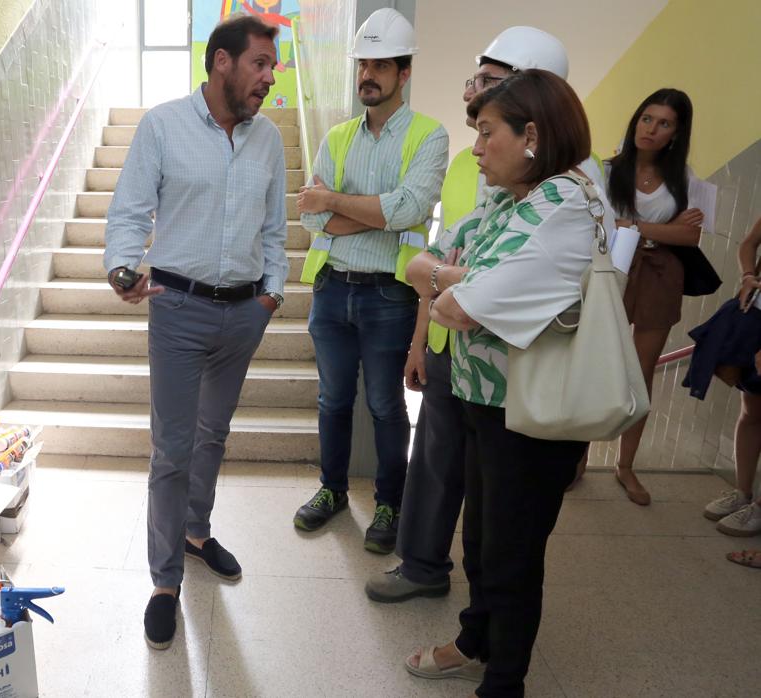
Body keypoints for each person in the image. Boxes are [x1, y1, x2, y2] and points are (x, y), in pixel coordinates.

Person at [403, 70, 604, 697]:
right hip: (483, 399)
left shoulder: (562, 204)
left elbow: (457, 307)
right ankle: (475, 640)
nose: (476, 147)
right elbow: (424, 262)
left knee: (513, 556)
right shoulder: (510, 199)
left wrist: (445, 281)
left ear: (533, 135)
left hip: (529, 415)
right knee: (484, 543)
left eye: (487, 133)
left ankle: (504, 682)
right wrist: (450, 277)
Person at [367, 26, 574, 603]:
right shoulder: (469, 161)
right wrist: (419, 338)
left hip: (513, 372)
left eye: (489, 81)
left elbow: (484, 278)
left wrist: (448, 278)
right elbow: (431, 259)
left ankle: (490, 627)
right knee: (434, 467)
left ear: (532, 95)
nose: (471, 93)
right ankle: (424, 568)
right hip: (451, 344)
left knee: (499, 515)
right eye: (474, 79)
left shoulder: (568, 185)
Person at [103, 14, 288, 650]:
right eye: (260, 63)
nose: (270, 76)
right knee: (172, 447)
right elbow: (128, 210)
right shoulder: (163, 125)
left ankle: (196, 531)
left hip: (244, 311)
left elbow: (275, 227)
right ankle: (163, 582)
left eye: (273, 63)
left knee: (214, 433)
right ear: (221, 63)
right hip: (178, 310)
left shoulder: (268, 141)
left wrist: (271, 294)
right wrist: (122, 268)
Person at [292, 7, 448, 555]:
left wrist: (336, 202)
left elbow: (408, 209)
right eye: (364, 64)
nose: (369, 75)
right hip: (333, 286)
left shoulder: (430, 135)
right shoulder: (337, 137)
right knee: (332, 399)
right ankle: (331, 491)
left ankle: (389, 502)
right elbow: (310, 218)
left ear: (404, 73)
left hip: (389, 293)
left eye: (382, 65)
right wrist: (372, 212)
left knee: (385, 405)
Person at [596, 89, 703, 505]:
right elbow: (600, 225)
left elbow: (690, 236)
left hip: (660, 273)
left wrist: (633, 225)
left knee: (641, 372)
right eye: (646, 118)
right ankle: (577, 458)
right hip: (613, 270)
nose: (651, 129)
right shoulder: (606, 170)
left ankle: (626, 466)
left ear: (676, 133)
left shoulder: (684, 178)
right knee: (599, 361)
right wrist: (662, 226)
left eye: (664, 123)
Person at [699, 215, 761, 535]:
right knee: (751, 412)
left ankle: (759, 510)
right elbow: (749, 242)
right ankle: (743, 493)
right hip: (756, 316)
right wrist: (749, 274)